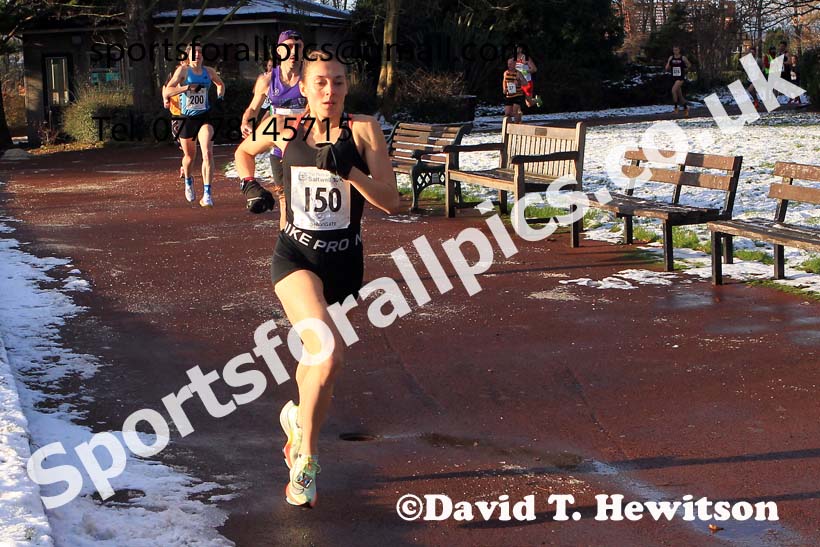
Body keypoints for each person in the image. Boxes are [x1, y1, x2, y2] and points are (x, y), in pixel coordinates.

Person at [233, 53, 401, 507]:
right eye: (321, 83)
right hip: (295, 257)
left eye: (339, 83)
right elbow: (242, 153)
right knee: (327, 354)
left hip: (345, 264)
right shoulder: (283, 126)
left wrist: (347, 170)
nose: (330, 91)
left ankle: (295, 424)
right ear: (304, 88)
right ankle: (305, 457)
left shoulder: (363, 130)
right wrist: (250, 185)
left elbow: (393, 202)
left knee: (319, 366)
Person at [239, 31, 307, 188]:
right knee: (283, 196)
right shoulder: (267, 80)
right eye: (289, 46)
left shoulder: (311, 78)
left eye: (298, 47)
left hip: (306, 147)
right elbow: (253, 109)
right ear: (279, 50)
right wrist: (246, 123)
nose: (294, 52)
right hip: (278, 148)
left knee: (305, 199)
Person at [164, 44, 225, 207]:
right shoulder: (183, 71)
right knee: (190, 157)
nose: (197, 55)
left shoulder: (209, 72)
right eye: (194, 52)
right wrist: (186, 88)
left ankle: (207, 193)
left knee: (208, 153)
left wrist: (220, 92)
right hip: (187, 119)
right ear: (188, 55)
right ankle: (189, 180)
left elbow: (220, 83)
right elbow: (167, 91)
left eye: (200, 52)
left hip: (205, 117)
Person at [665, 46, 691, 116]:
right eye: (674, 50)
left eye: (676, 50)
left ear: (679, 50)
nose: (675, 51)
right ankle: (686, 108)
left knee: (673, 90)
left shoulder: (683, 58)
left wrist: (685, 69)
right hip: (674, 77)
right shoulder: (671, 58)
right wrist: (668, 66)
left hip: (680, 77)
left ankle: (676, 108)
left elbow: (689, 65)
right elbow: (667, 67)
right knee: (680, 96)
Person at [502, 58, 527, 123]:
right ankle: (508, 127)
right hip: (509, 95)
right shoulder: (506, 73)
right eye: (508, 64)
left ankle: (516, 125)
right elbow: (504, 81)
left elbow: (525, 83)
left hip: (517, 94)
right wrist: (504, 88)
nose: (509, 65)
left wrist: (518, 82)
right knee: (507, 113)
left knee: (515, 111)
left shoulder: (518, 73)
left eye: (510, 64)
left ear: (514, 64)